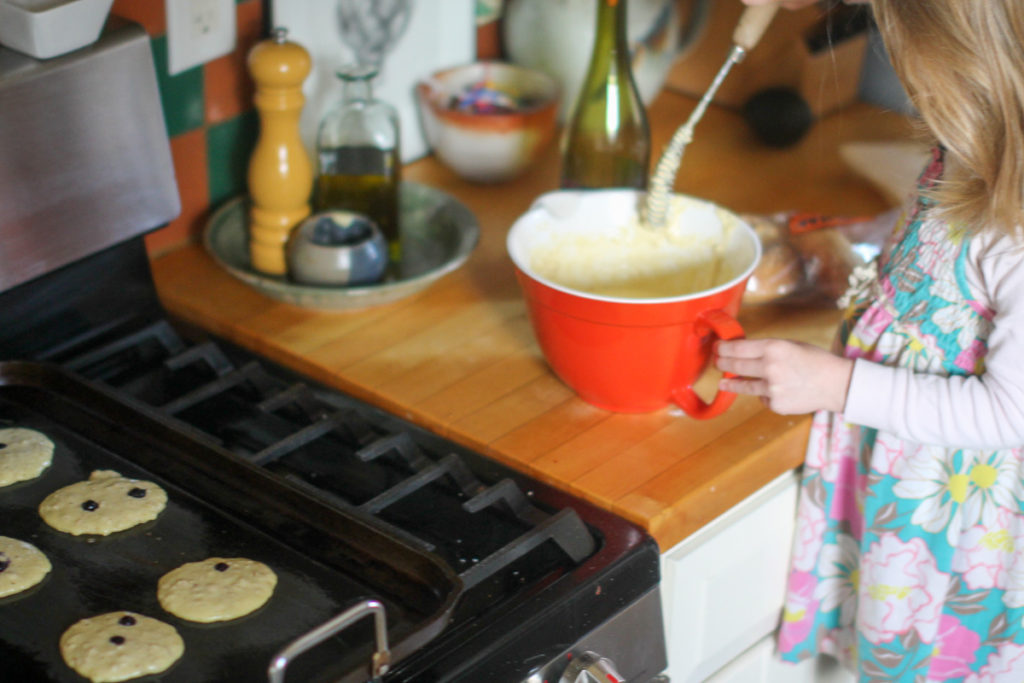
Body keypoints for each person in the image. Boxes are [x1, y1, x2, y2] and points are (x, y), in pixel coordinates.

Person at [716, 0, 1024, 679]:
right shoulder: (967, 157)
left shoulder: (1018, 231)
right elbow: (943, 240)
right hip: (889, 471)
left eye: (923, 87)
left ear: (979, 77)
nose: (914, 103)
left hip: (938, 506)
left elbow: (1010, 412)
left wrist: (835, 384)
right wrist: (871, 241)